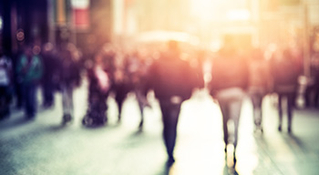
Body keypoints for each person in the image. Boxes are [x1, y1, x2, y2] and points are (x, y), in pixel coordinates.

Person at [146, 40, 202, 166]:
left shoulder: (158, 60)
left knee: (166, 124)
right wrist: (186, 95)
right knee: (173, 124)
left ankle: (168, 150)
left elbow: (149, 78)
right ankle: (171, 150)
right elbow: (193, 78)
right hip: (177, 97)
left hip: (163, 96)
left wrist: (148, 92)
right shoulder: (184, 61)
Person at [207, 39, 249, 164]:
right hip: (237, 91)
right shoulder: (240, 57)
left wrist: (213, 91)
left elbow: (213, 75)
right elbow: (246, 74)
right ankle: (235, 147)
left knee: (225, 120)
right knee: (236, 122)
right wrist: (243, 88)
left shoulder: (217, 58)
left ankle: (226, 144)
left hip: (222, 92)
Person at [270, 48, 300, 133]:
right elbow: (296, 76)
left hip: (280, 87)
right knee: (289, 107)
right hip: (291, 88)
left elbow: (275, 76)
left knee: (280, 106)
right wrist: (296, 88)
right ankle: (289, 125)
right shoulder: (293, 64)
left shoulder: (279, 63)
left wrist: (274, 88)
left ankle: (280, 123)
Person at [247, 48, 271, 132]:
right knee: (260, 106)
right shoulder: (264, 64)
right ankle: (260, 124)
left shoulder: (250, 64)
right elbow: (267, 77)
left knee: (254, 107)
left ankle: (255, 124)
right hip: (261, 87)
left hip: (252, 87)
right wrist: (268, 87)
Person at [16, 45, 43, 119]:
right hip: (24, 81)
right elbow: (17, 69)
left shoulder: (37, 59)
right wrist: (21, 70)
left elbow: (40, 69)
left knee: (32, 97)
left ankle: (32, 111)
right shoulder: (22, 58)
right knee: (26, 97)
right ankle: (27, 111)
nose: (28, 52)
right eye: (26, 50)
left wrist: (37, 77)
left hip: (33, 81)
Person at [58, 47, 81, 124]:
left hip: (70, 82)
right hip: (64, 82)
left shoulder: (74, 62)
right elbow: (60, 72)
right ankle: (65, 113)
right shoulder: (62, 62)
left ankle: (71, 114)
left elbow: (77, 73)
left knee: (70, 99)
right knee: (64, 99)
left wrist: (76, 82)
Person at [0, 48, 13, 119]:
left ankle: (6, 111)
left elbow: (10, 71)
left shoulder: (7, 60)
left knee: (6, 98)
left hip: (5, 82)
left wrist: (11, 81)